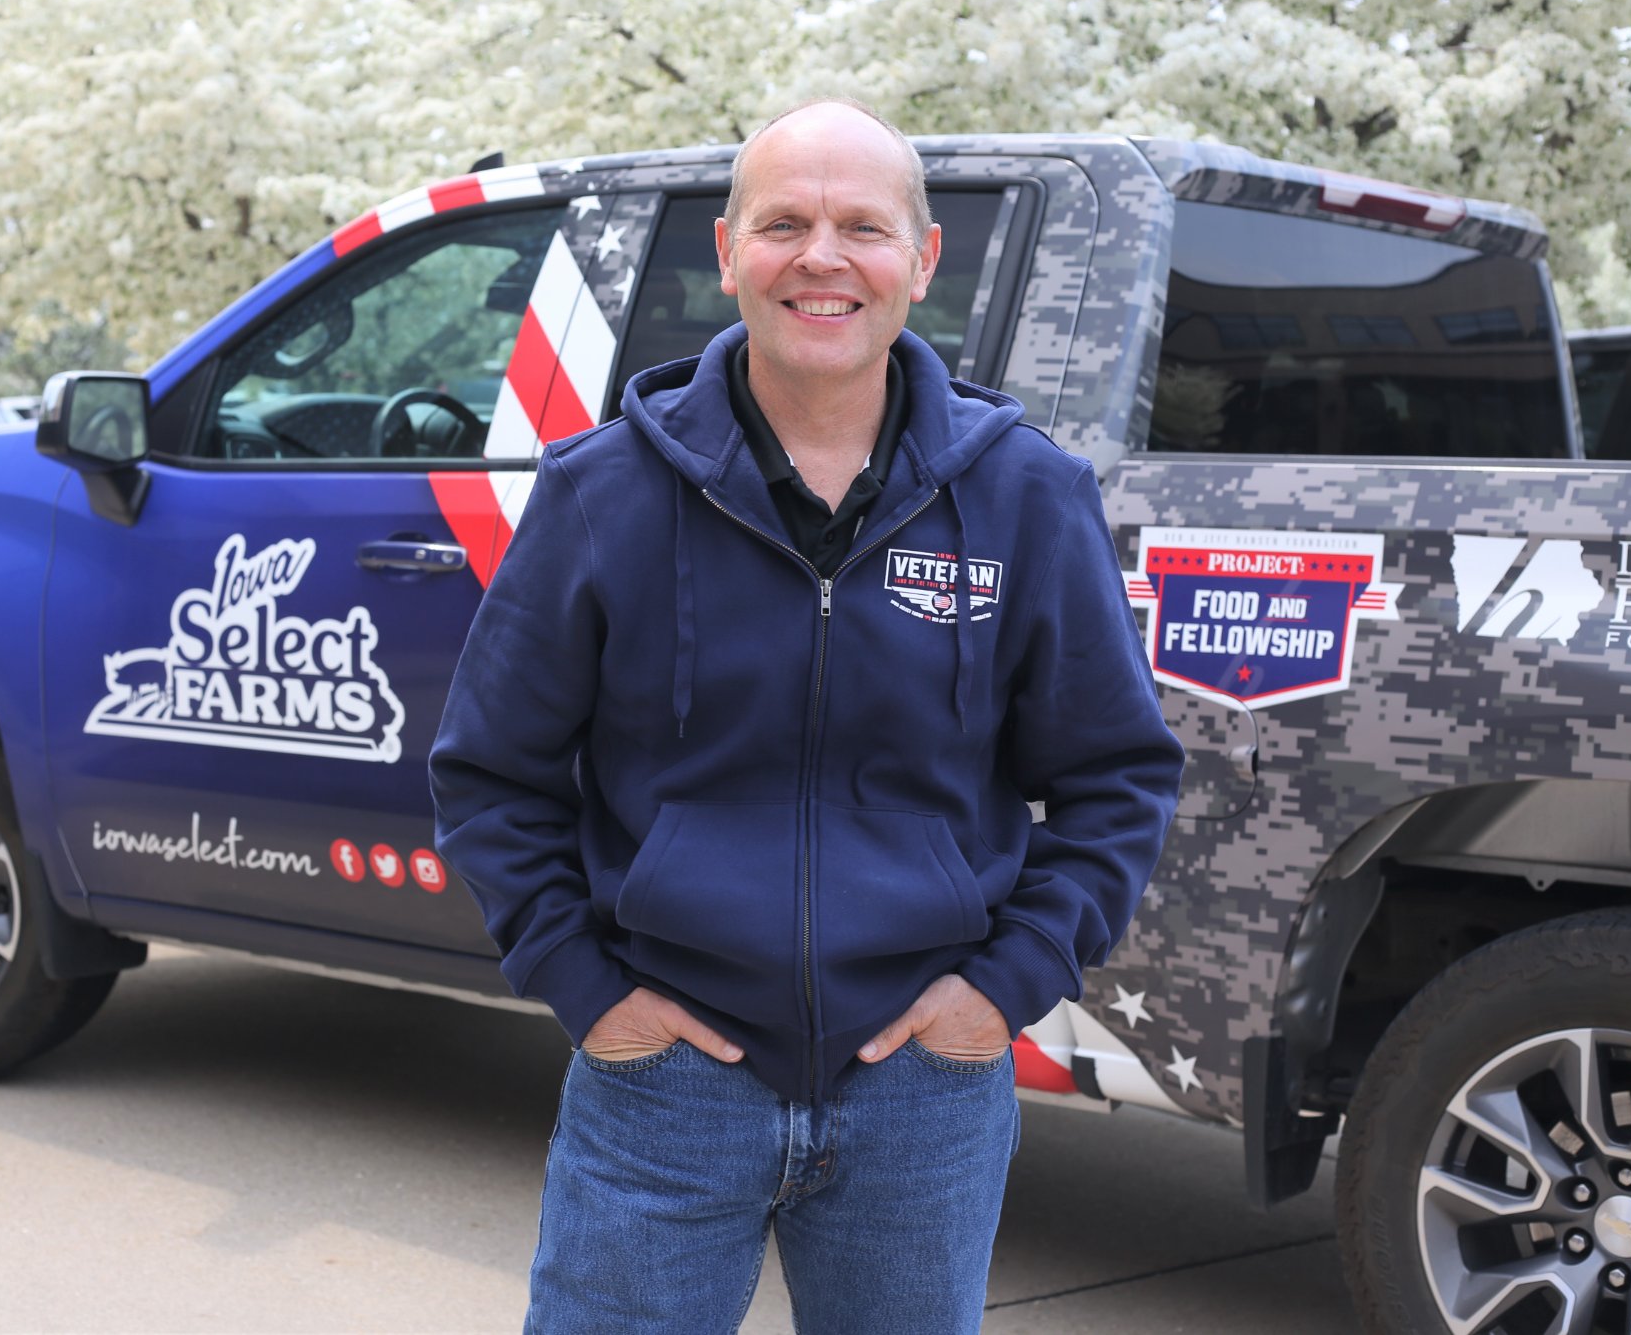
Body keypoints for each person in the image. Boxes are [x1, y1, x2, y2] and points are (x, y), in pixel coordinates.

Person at [430, 98, 1184, 1334]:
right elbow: (488, 773)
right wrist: (582, 987)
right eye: (783, 223)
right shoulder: (599, 494)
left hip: (922, 1094)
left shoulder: (1026, 498)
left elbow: (1116, 777)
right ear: (727, 252)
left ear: (921, 260)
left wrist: (1002, 987)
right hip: (665, 1084)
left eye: (861, 227)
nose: (822, 258)